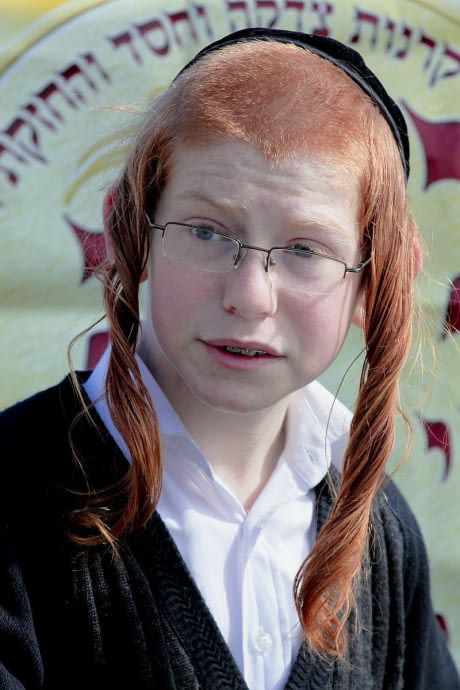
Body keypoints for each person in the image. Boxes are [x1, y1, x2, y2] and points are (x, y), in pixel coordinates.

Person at [0, 26, 458, 690]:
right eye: (207, 231)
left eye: (306, 250)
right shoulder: (16, 498)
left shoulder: (380, 539)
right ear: (129, 228)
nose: (249, 295)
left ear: (375, 281)